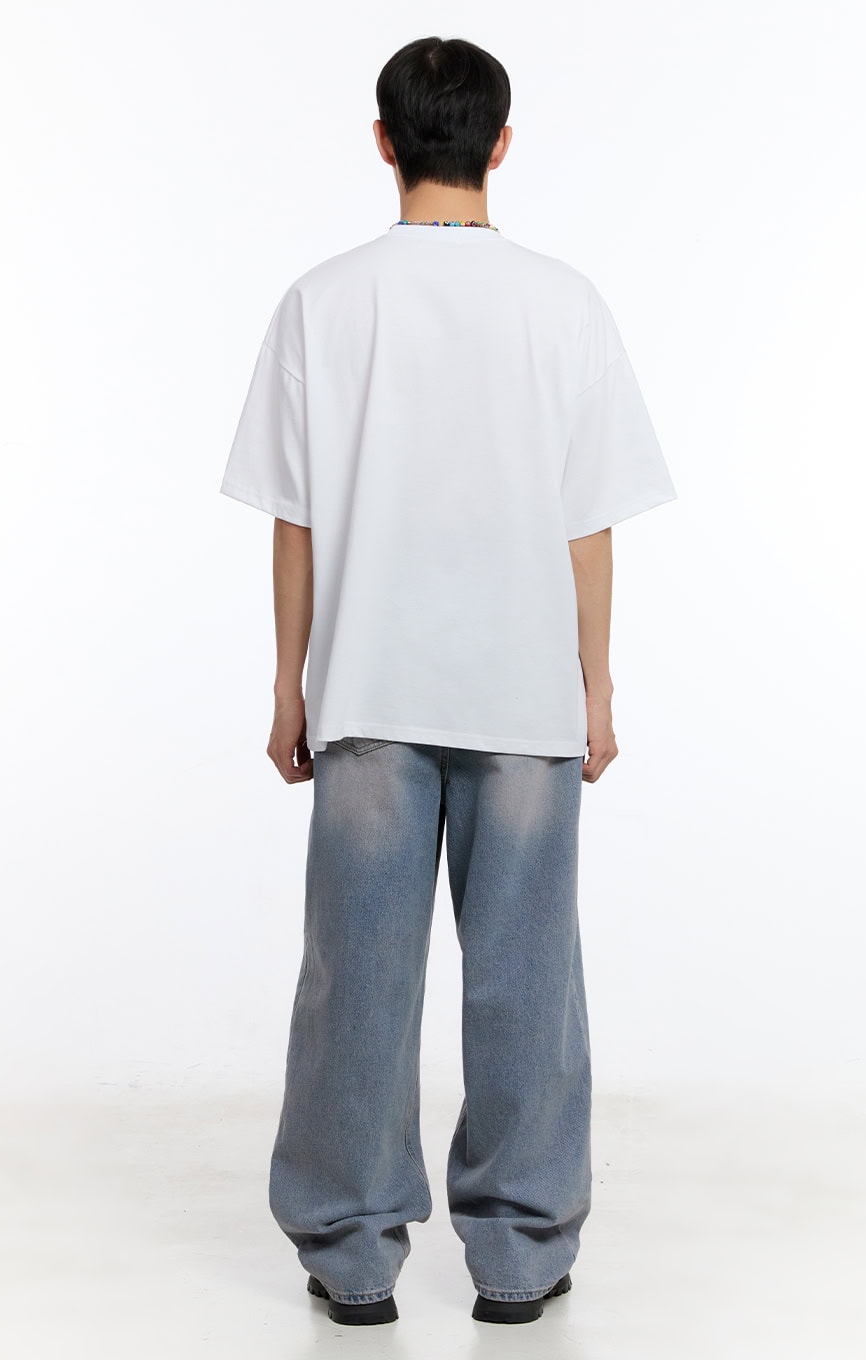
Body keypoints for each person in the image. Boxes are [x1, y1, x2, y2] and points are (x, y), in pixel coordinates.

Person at [219, 34, 677, 1328]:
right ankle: (521, 1255)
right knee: (528, 980)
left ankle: (353, 1255)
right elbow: (589, 522)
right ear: (501, 143)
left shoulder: (323, 300)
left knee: (354, 986)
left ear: (384, 141)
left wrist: (289, 686)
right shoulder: (564, 303)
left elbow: (296, 521)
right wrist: (596, 686)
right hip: (525, 694)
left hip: (368, 681)